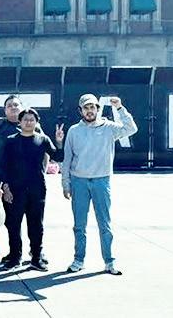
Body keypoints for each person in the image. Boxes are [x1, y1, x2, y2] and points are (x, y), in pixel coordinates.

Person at [62, 94, 138, 276]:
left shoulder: (109, 128)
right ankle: (78, 260)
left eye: (92, 107)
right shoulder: (74, 130)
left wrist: (120, 108)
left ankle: (109, 262)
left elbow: (131, 128)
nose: (89, 111)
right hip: (79, 182)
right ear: (80, 111)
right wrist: (66, 183)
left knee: (105, 224)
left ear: (97, 109)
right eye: (86, 108)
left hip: (101, 181)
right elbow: (67, 158)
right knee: (79, 225)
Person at [0, 108, 65, 271]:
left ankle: (36, 258)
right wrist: (5, 188)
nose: (28, 122)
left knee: (36, 225)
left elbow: (58, 157)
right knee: (13, 225)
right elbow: (3, 166)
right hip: (14, 190)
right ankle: (15, 257)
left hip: (37, 189)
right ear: (19, 122)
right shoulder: (10, 141)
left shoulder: (43, 139)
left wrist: (59, 142)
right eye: (25, 119)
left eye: (32, 119)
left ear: (36, 122)